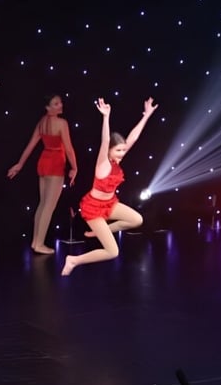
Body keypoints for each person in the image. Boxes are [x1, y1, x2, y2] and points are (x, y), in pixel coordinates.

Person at [62, 97, 157, 276]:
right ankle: (73, 260)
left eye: (123, 150)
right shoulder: (103, 163)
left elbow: (133, 138)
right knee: (113, 252)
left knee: (137, 220)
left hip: (110, 204)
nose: (122, 153)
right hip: (93, 209)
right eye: (118, 150)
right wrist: (106, 117)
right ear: (109, 151)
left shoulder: (116, 161)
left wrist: (146, 116)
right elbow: (105, 141)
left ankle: (100, 232)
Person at [7, 94, 77, 254]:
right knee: (48, 206)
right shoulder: (61, 123)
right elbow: (68, 149)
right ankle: (39, 244)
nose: (60, 105)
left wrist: (20, 164)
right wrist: (75, 167)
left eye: (60, 102)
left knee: (43, 204)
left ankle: (35, 241)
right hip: (55, 163)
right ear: (47, 107)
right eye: (56, 104)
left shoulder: (42, 122)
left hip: (44, 161)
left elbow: (30, 145)